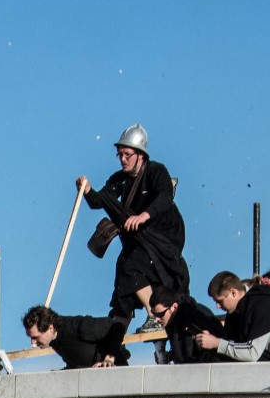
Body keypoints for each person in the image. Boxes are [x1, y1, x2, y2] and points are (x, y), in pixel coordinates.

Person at [77, 124, 189, 329]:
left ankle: (154, 316)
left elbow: (165, 197)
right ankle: (116, 333)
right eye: (120, 154)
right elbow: (99, 201)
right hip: (140, 241)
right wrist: (87, 190)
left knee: (132, 266)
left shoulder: (156, 171)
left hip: (164, 238)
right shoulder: (119, 180)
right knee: (123, 276)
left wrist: (144, 216)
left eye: (127, 154)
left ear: (140, 155)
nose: (123, 159)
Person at [195, 271, 270, 362]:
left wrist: (216, 343)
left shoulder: (261, 304)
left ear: (233, 293)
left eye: (220, 301)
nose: (217, 306)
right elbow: (236, 348)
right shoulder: (237, 312)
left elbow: (252, 352)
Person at [20, 305, 127, 368]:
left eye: (36, 337)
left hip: (116, 374)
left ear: (51, 328)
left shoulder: (79, 327)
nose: (33, 343)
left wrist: (109, 359)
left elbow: (118, 327)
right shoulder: (53, 339)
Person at [148, 290, 224, 364]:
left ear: (174, 306)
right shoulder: (174, 322)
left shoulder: (195, 318)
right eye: (154, 314)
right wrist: (170, 356)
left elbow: (210, 355)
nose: (156, 319)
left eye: (160, 314)